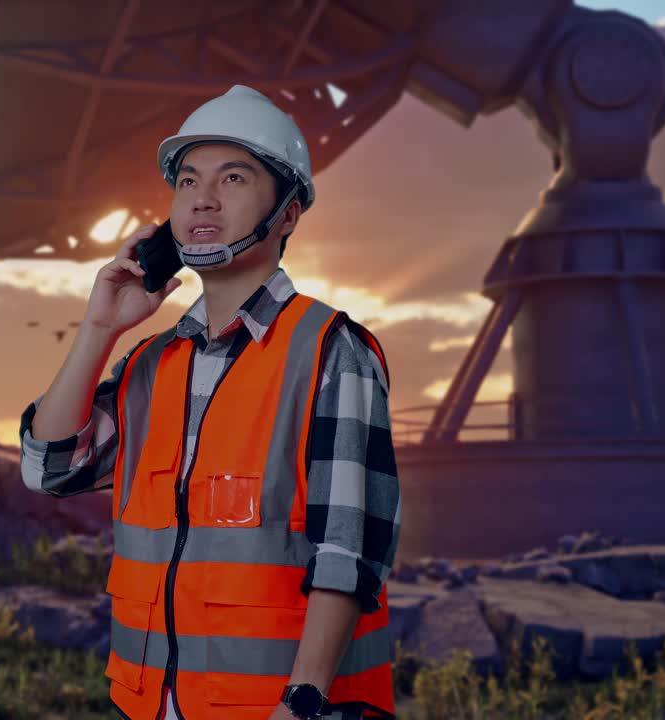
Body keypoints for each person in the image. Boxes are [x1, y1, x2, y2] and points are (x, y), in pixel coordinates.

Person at [20, 85, 399, 720]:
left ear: (287, 214)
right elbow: (50, 467)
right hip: (150, 705)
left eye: (233, 178)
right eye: (188, 180)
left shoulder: (331, 351)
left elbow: (348, 550)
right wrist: (100, 328)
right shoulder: (151, 364)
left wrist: (301, 705)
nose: (203, 198)